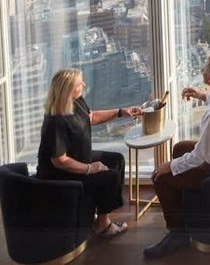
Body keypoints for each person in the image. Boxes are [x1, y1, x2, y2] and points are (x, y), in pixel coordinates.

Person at [144, 51, 210, 259]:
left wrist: (170, 166)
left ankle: (177, 233)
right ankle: (184, 208)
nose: (201, 70)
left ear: (209, 78)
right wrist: (201, 95)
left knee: (160, 177)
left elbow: (200, 156)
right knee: (180, 147)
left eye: (204, 68)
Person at [36, 69, 141, 239]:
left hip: (76, 158)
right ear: (68, 89)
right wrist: (90, 168)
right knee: (109, 176)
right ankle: (103, 226)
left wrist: (121, 112)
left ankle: (100, 217)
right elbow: (59, 161)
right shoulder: (55, 120)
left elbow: (91, 117)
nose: (83, 85)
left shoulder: (75, 102)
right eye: (79, 83)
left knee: (117, 160)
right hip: (59, 173)